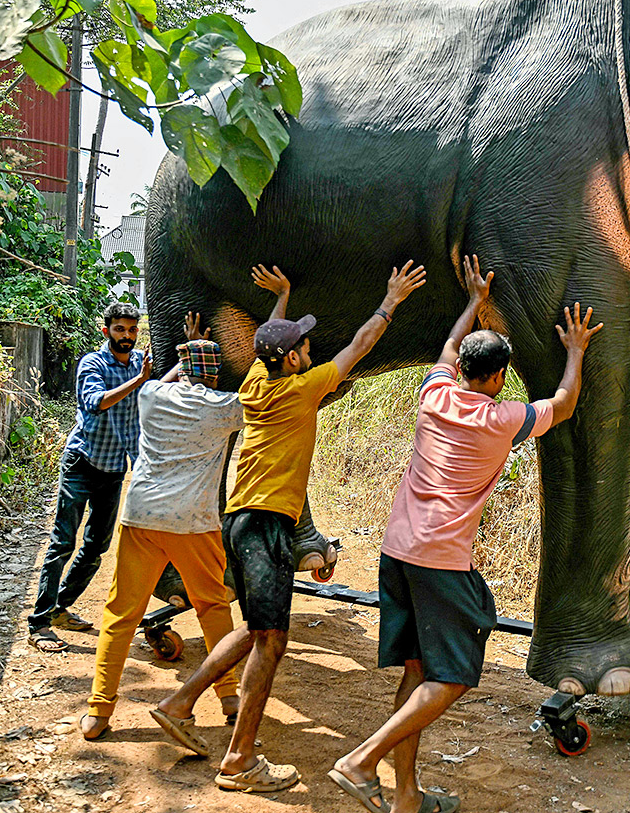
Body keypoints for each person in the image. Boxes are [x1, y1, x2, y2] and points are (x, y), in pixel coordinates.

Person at [327, 256, 601, 813]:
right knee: (452, 677)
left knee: (418, 671)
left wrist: (474, 301)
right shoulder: (502, 420)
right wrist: (574, 351)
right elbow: (566, 403)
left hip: (396, 551)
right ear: (499, 379)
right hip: (440, 560)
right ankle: (361, 760)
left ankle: (407, 796)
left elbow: (448, 350)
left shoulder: (435, 396)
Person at [152, 261, 426, 792]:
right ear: (293, 359)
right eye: (302, 344)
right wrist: (390, 298)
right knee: (272, 642)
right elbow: (361, 346)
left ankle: (179, 703)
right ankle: (239, 762)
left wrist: (281, 298)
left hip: (240, 521)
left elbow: (266, 343)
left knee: (257, 629)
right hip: (268, 529)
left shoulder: (258, 380)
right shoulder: (301, 389)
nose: (308, 348)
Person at [79, 316, 245, 742]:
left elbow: (164, 380)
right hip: (193, 523)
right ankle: (229, 699)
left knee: (121, 614)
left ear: (183, 371)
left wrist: (185, 351)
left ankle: (98, 711)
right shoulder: (225, 407)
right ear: (214, 375)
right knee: (213, 608)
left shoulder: (150, 395)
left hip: (143, 517)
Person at [28, 301, 151, 653]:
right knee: (63, 542)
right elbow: (95, 402)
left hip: (114, 468)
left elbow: (152, 395)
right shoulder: (93, 364)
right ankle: (39, 623)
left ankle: (60, 607)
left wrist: (153, 377)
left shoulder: (140, 364)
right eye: (119, 330)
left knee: (97, 546)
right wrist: (140, 380)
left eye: (131, 330)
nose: (126, 336)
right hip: (81, 462)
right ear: (106, 331)